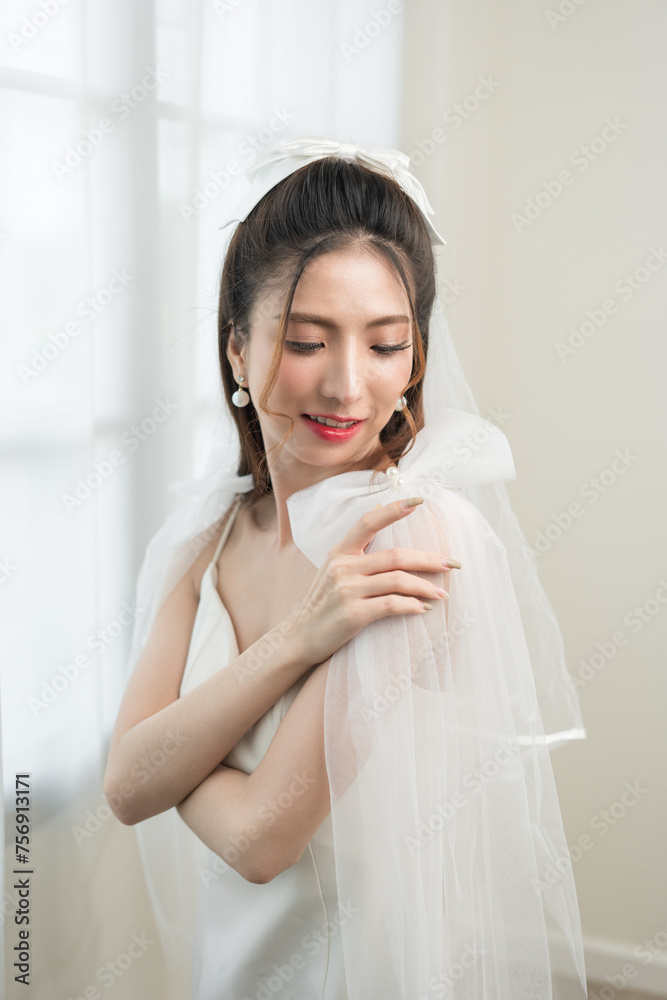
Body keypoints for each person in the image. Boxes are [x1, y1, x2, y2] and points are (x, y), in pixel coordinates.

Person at [103, 137, 587, 1000]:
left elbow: (258, 842)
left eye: (385, 345)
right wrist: (299, 637)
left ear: (416, 360)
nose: (346, 386)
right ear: (235, 351)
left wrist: (172, 758)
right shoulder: (204, 532)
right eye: (305, 340)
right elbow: (121, 785)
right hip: (234, 972)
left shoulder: (413, 533)